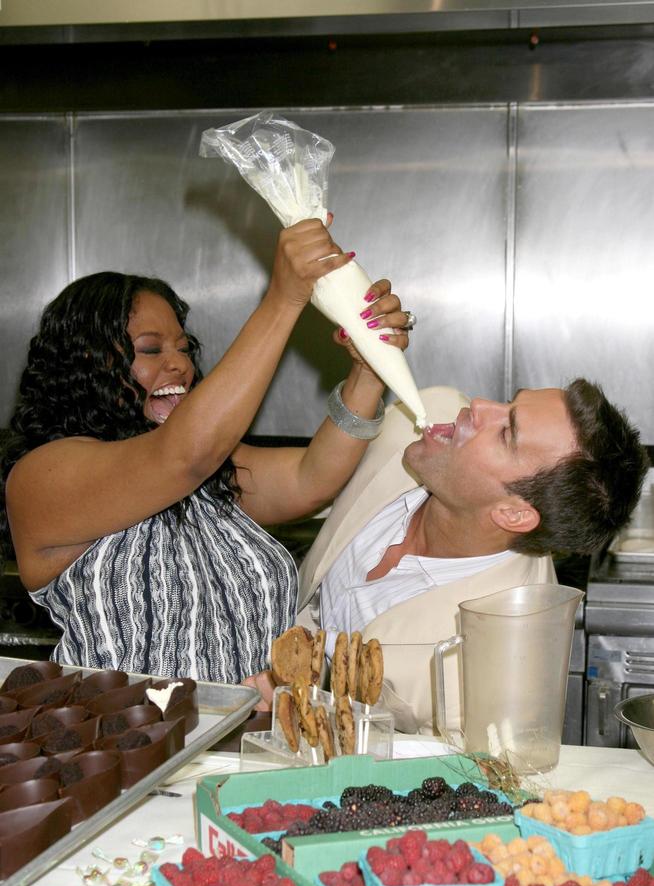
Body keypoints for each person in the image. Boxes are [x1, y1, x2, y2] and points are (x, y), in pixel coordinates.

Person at [1, 218, 413, 696]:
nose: (179, 363)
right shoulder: (44, 475)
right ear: (83, 366)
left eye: (183, 347)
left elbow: (309, 477)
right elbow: (182, 457)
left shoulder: (205, 473)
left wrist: (367, 372)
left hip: (246, 753)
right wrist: (284, 299)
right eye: (150, 349)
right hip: (130, 754)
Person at [297, 381, 648, 733]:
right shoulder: (423, 413)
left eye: (507, 432)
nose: (479, 404)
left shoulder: (492, 672)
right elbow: (304, 481)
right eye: (508, 402)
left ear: (513, 514)